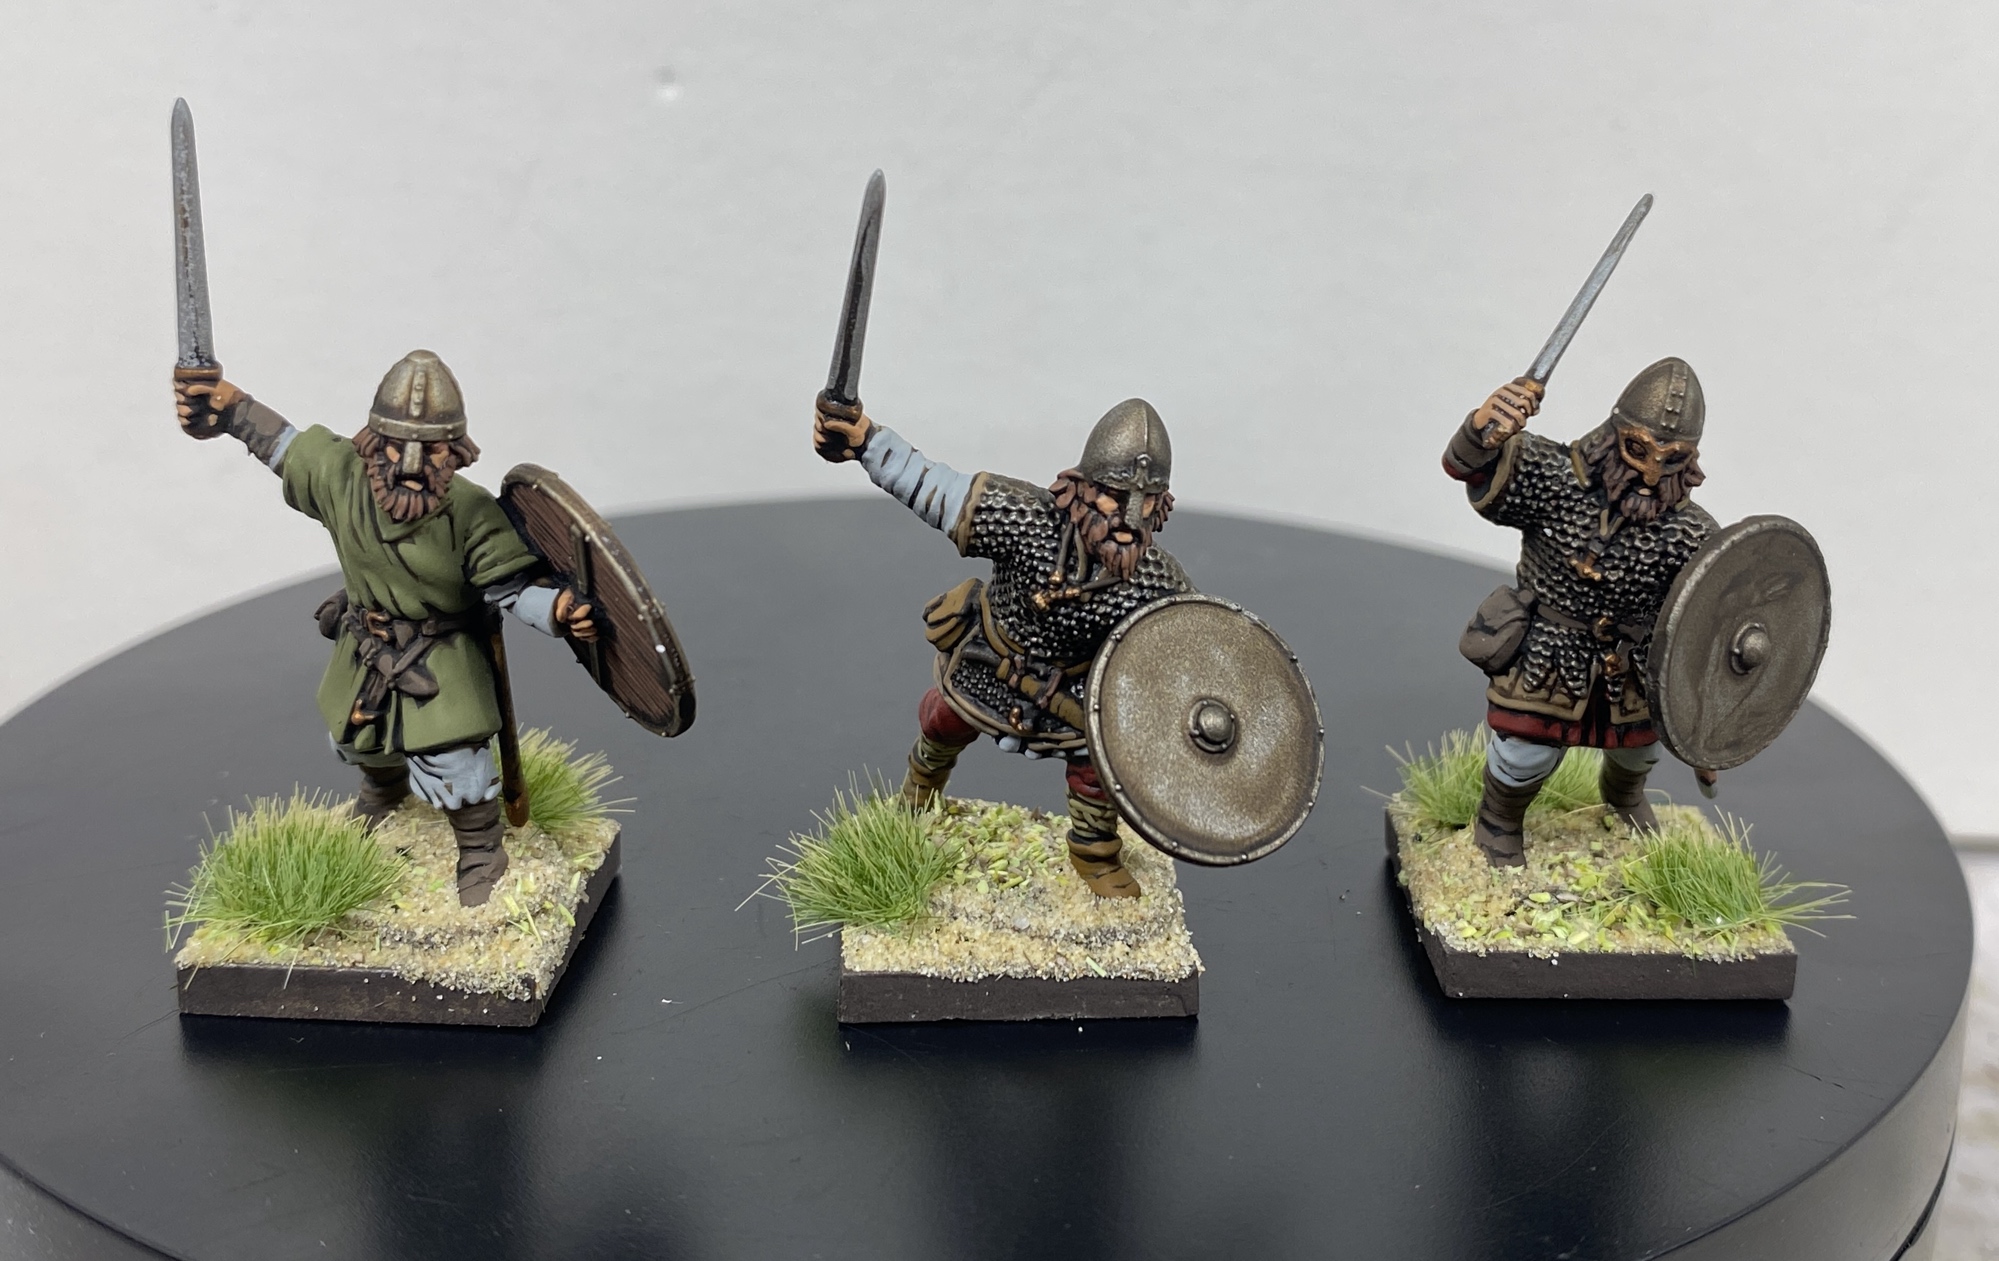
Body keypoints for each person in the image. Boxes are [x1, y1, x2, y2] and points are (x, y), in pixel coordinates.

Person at [174, 349, 597, 904]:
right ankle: (384, 791)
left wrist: (559, 611)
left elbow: (510, 587)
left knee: (454, 758)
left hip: (441, 654)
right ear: (374, 441)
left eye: (432, 450)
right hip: (365, 643)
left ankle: (480, 848)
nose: (413, 465)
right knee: (354, 734)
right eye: (399, 447)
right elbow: (281, 442)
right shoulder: (340, 478)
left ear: (455, 450)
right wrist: (225, 406)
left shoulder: (472, 513)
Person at [814, 392, 1193, 897]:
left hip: (1074, 693)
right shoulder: (1025, 517)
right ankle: (918, 795)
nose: (1128, 516)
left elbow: (1190, 651)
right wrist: (865, 441)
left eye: (1144, 502)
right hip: (989, 659)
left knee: (1095, 770)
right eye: (1113, 496)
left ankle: (1094, 854)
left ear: (1161, 504)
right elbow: (934, 487)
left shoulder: (1157, 580)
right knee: (943, 722)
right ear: (1081, 488)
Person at [1443, 357, 1716, 866]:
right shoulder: (1553, 476)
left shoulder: (1694, 532)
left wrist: (1710, 720)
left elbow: (1708, 621)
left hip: (1633, 662)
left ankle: (1624, 799)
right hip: (1548, 647)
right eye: (1638, 451)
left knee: (1639, 749)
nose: (1651, 474)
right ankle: (1499, 820)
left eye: (1672, 460)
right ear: (1613, 436)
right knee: (1524, 752)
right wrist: (1484, 428)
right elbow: (1470, 467)